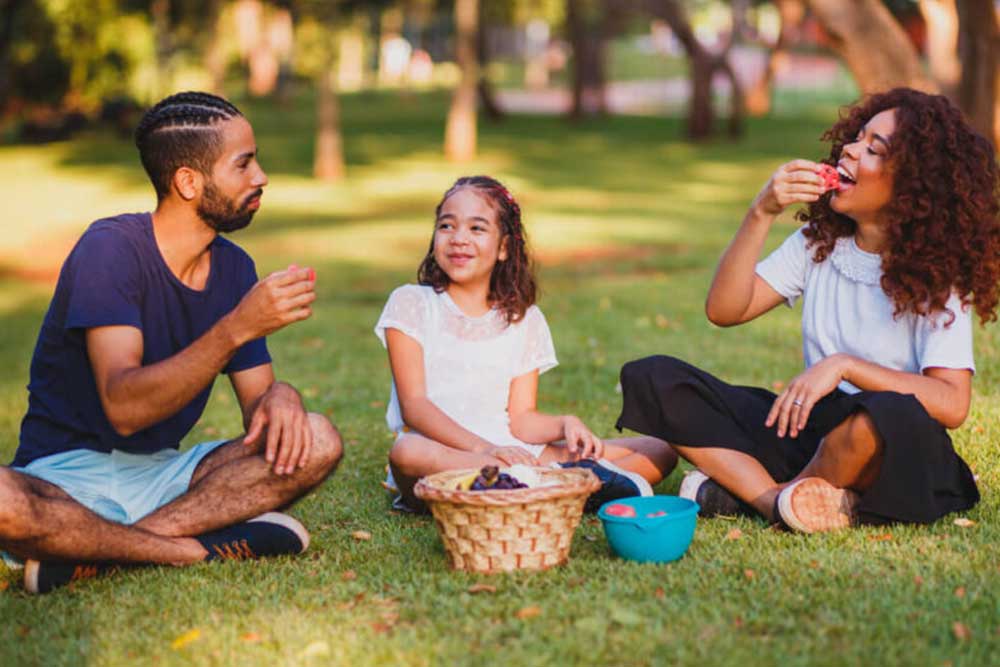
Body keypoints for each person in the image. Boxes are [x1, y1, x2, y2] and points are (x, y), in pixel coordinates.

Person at [0, 91, 343, 593]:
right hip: (60, 482)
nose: (261, 176)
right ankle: (190, 548)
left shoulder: (234, 268)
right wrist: (236, 327)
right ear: (188, 181)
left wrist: (283, 396)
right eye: (243, 164)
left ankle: (95, 552)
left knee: (317, 439)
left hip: (163, 480)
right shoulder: (110, 250)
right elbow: (124, 407)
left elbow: (259, 417)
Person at [617, 88, 999, 533]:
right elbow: (724, 309)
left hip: (886, 439)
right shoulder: (817, 243)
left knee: (879, 417)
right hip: (808, 427)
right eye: (856, 137)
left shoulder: (937, 275)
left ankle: (769, 492)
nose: (851, 151)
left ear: (913, 186)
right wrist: (761, 211)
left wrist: (844, 366)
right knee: (655, 377)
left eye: (873, 149)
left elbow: (952, 404)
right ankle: (779, 500)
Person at [375, 176, 677, 512]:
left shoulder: (524, 319)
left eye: (477, 229)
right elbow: (414, 407)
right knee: (407, 453)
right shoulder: (411, 304)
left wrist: (564, 423)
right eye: (447, 226)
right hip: (447, 457)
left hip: (513, 452)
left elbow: (521, 420)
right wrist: (484, 451)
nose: (459, 238)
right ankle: (556, 485)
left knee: (659, 449)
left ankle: (539, 483)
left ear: (504, 247)